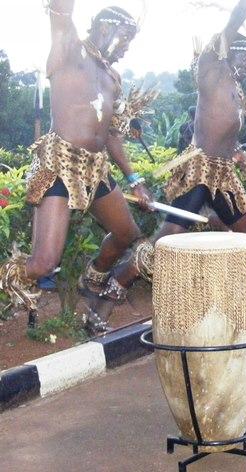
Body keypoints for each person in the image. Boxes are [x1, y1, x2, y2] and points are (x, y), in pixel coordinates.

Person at [91, 0, 246, 316]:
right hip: (199, 171)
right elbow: (233, 21)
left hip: (223, 175)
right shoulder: (210, 67)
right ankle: (108, 296)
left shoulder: (235, 87)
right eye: (243, 55)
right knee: (167, 241)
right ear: (226, 50)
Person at [0, 1, 153, 333]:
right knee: (43, 263)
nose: (125, 51)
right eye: (123, 40)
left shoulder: (112, 78)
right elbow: (61, 8)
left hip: (95, 170)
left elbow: (112, 136)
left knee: (128, 233)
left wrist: (135, 180)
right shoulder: (67, 49)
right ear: (103, 28)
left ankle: (93, 278)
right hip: (59, 163)